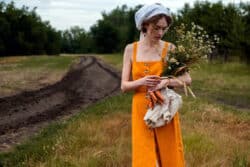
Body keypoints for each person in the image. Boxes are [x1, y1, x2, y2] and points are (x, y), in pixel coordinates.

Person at [120, 3, 192, 167]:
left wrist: (166, 82)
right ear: (144, 25)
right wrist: (142, 82)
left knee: (170, 153)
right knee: (145, 156)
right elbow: (124, 86)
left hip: (164, 106)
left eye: (163, 28)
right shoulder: (131, 49)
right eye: (156, 28)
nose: (160, 33)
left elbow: (187, 79)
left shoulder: (170, 48)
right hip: (140, 109)